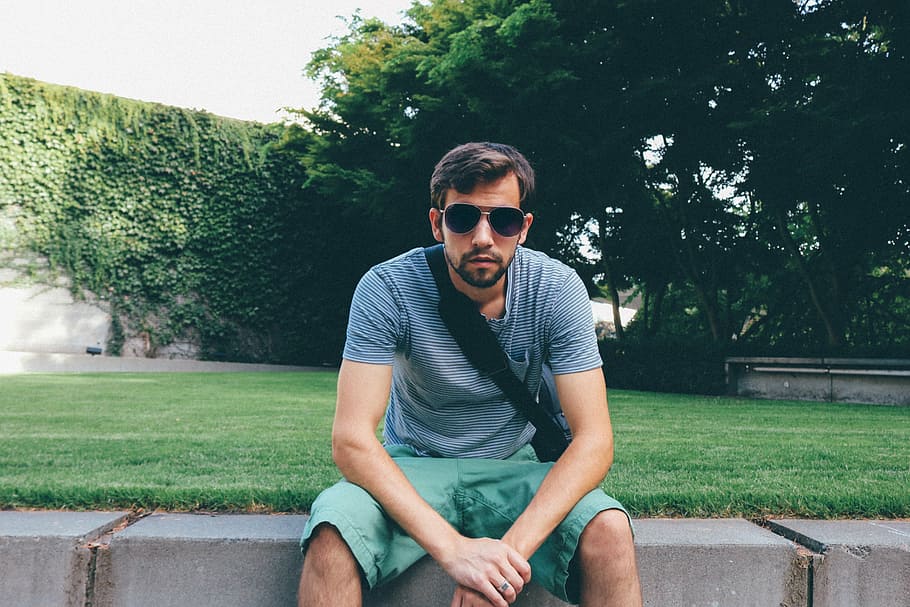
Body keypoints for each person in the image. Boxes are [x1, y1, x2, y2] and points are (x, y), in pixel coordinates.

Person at [298, 142, 642, 607]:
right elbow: (352, 440)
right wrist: (455, 551)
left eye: (503, 220)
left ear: (523, 228)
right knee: (332, 531)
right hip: (414, 464)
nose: (484, 237)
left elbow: (595, 441)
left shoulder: (556, 289)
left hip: (514, 467)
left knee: (609, 528)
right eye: (464, 218)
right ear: (438, 223)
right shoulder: (387, 287)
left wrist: (499, 567)